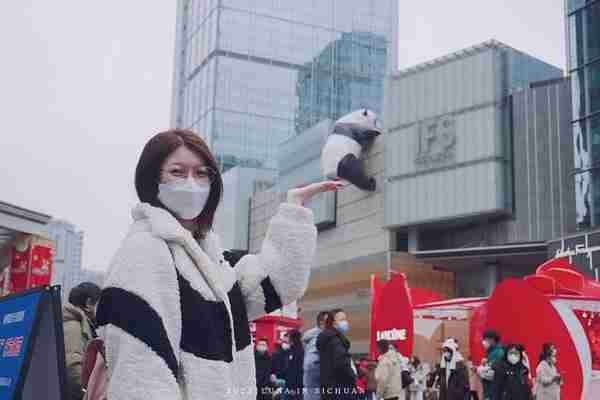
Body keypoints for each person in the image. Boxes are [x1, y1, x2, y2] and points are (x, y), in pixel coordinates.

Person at [95, 130, 340, 400]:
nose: (191, 183)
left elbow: (275, 286)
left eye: (202, 173)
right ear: (152, 179)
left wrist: (294, 211)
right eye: (177, 172)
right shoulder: (145, 250)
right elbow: (140, 378)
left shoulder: (209, 257)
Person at [63, 282, 102, 400]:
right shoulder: (74, 327)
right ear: (89, 303)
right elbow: (72, 366)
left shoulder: (77, 325)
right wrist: (92, 390)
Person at [317, 309, 358, 400]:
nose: (345, 322)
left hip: (329, 390)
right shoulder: (335, 341)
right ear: (334, 323)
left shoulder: (326, 339)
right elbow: (342, 364)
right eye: (342, 320)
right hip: (341, 390)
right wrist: (353, 377)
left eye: (345, 319)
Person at [303, 312, 329, 400]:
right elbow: (311, 364)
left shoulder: (312, 336)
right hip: (317, 384)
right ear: (322, 323)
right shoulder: (317, 339)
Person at [479, 330, 505, 400]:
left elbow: (494, 371)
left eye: (485, 339)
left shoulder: (499, 352)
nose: (484, 342)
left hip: (494, 389)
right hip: (489, 388)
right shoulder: (491, 351)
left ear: (492, 339)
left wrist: (482, 369)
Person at [284, 330, 305, 400]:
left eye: (289, 337)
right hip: (290, 386)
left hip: (295, 387)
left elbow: (298, 371)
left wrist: (293, 388)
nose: (288, 339)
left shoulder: (299, 352)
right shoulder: (291, 350)